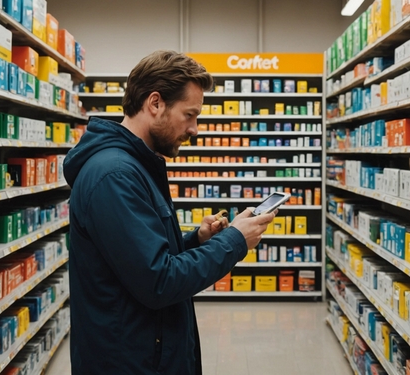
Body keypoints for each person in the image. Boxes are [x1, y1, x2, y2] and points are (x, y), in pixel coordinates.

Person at [63, 50, 276, 374]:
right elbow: (159, 282)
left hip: (147, 351)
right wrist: (234, 240)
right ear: (155, 104)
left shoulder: (135, 166)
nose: (195, 129)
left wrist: (198, 240)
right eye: (189, 115)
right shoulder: (115, 176)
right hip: (130, 363)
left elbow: (142, 259)